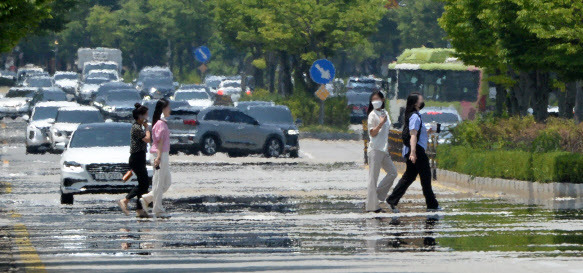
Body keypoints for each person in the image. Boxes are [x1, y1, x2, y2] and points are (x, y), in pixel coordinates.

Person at [386, 92, 441, 212]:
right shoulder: (415, 116)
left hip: (414, 149)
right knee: (425, 177)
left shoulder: (412, 115)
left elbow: (417, 135)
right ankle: (432, 204)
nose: (422, 101)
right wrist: (413, 152)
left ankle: (392, 199)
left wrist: (429, 132)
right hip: (417, 151)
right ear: (416, 103)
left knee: (409, 177)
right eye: (421, 99)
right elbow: (413, 135)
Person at [366, 91, 398, 213]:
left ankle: (378, 195)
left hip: (384, 150)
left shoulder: (385, 113)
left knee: (393, 173)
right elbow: (372, 133)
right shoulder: (372, 115)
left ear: (383, 100)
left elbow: (387, 131)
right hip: (375, 150)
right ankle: (371, 207)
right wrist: (380, 123)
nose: (375, 102)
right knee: (373, 178)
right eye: (373, 100)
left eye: (377, 99)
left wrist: (387, 145)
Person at [140, 99, 172, 218]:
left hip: (163, 154)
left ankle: (146, 198)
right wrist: (158, 158)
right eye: (168, 107)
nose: (170, 110)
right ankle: (157, 208)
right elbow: (159, 142)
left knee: (166, 182)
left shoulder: (162, 122)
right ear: (164, 109)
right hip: (159, 154)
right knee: (158, 182)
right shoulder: (160, 123)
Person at [118, 103, 151, 218]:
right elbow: (147, 139)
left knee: (144, 184)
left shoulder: (139, 126)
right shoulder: (136, 127)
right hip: (136, 158)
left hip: (140, 158)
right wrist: (147, 128)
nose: (147, 117)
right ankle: (125, 200)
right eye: (145, 115)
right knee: (144, 183)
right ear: (140, 116)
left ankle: (139, 209)